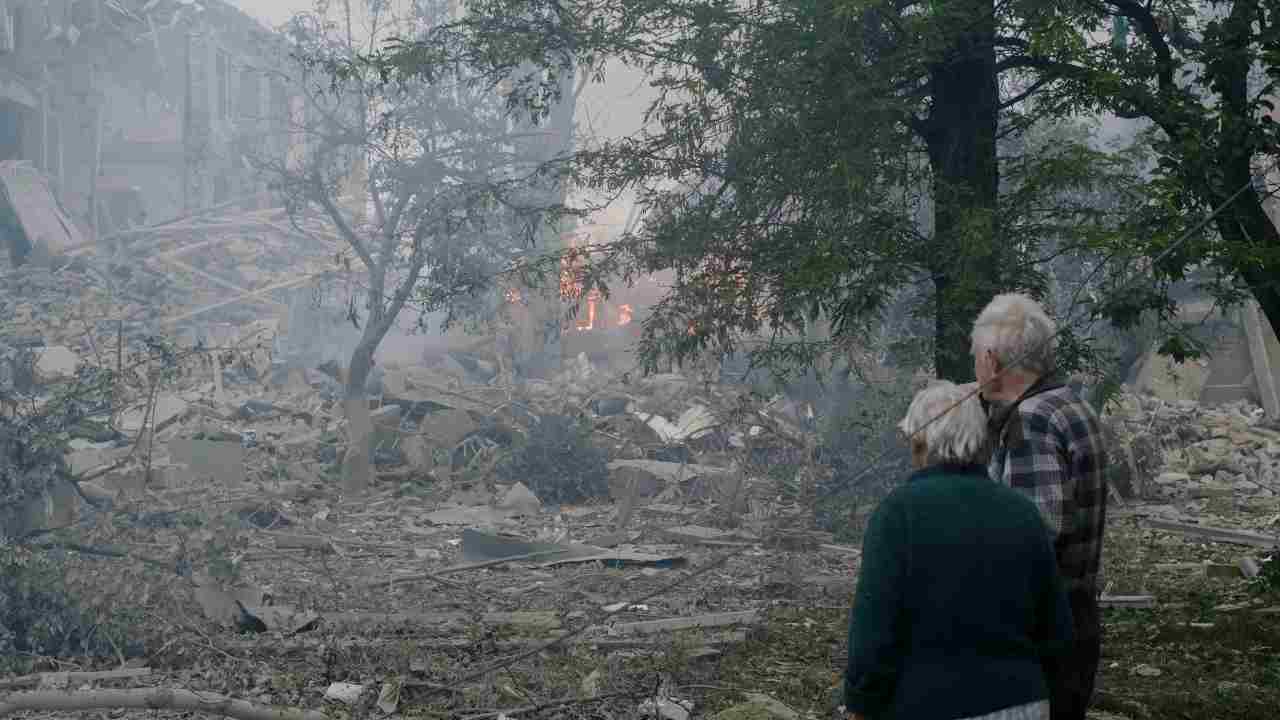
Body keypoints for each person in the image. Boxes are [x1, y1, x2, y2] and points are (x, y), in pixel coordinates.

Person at [844, 380, 1074, 720]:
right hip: (1022, 704)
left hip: (927, 706)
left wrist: (860, 704)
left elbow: (874, 632)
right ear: (981, 440)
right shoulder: (1022, 512)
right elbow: (1056, 630)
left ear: (918, 441)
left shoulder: (898, 514)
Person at [971, 293, 1109, 720]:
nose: (974, 366)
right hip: (1076, 616)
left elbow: (1030, 538)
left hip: (1039, 634)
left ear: (992, 360)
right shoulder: (1070, 403)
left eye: (975, 356)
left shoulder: (1030, 421)